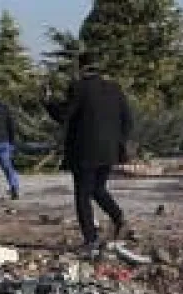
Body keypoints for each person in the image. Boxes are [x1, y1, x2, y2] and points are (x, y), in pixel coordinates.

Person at [57, 58, 134, 253]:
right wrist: (119, 143)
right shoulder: (114, 89)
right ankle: (119, 218)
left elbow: (64, 115)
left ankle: (91, 239)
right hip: (109, 151)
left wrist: (48, 103)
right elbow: (127, 120)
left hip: (84, 151)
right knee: (98, 188)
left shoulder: (79, 88)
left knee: (83, 195)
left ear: (81, 69)